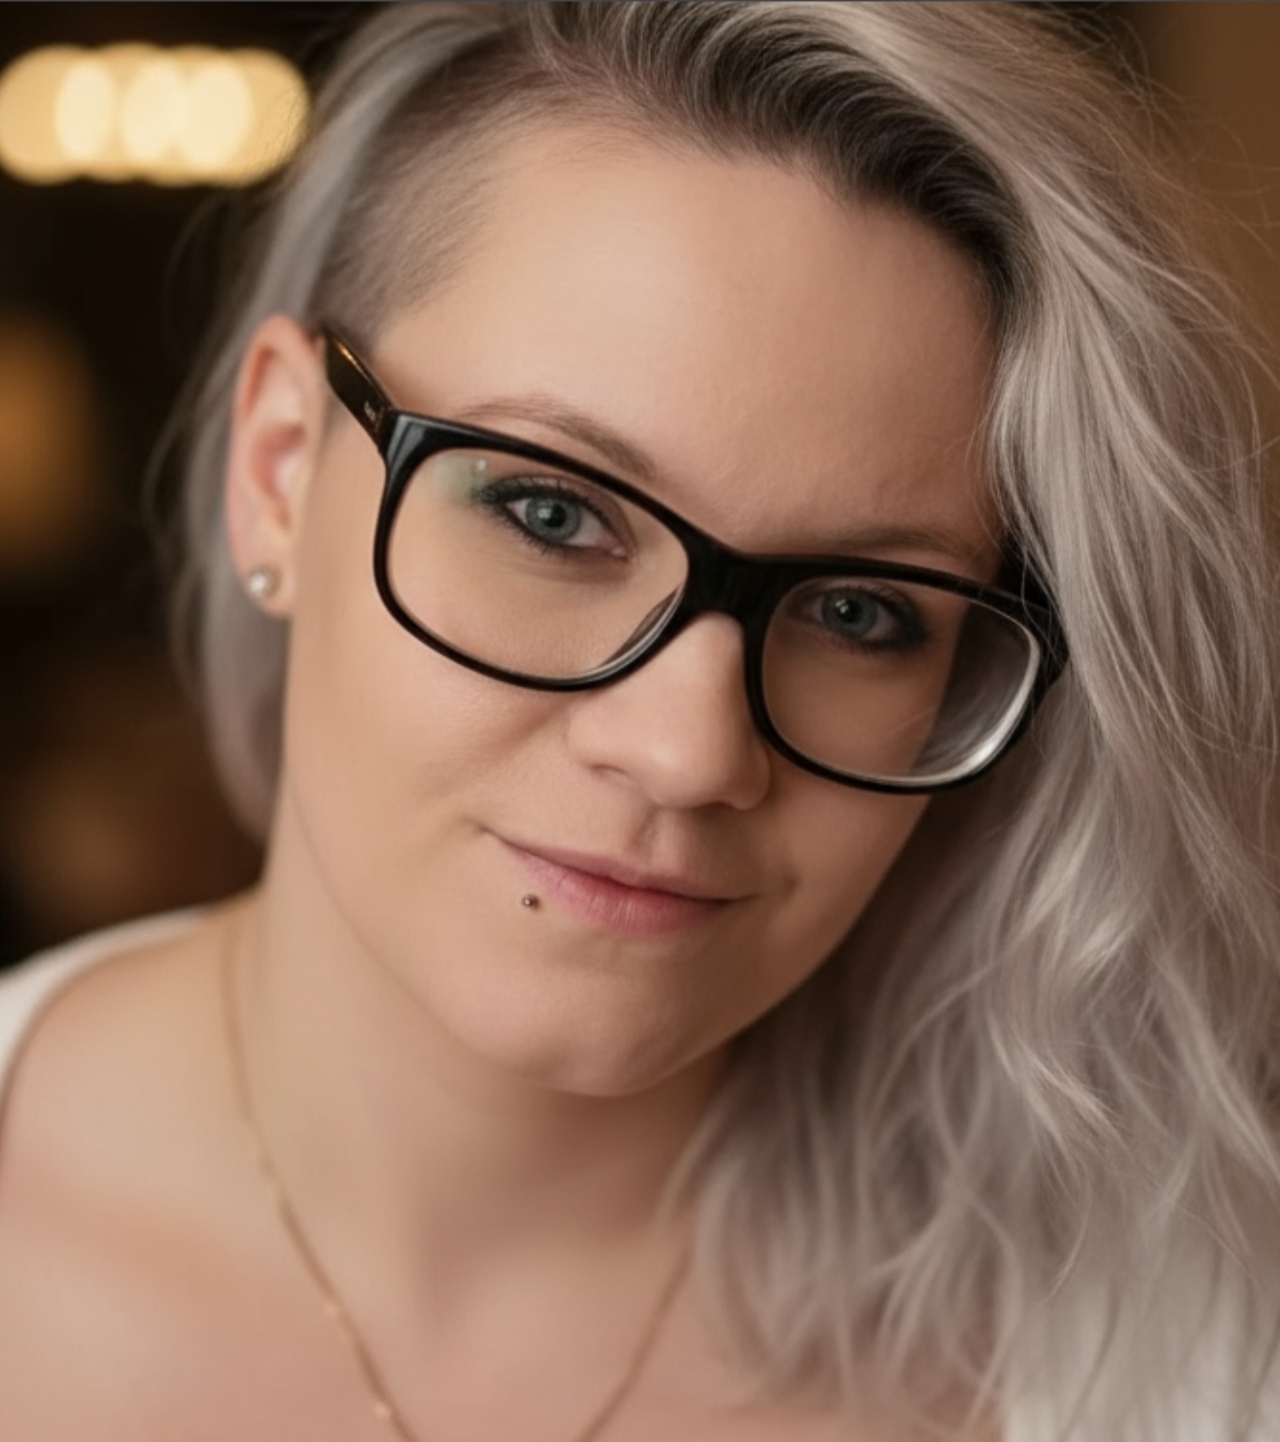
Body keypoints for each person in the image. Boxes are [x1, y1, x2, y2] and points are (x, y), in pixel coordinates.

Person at [1, 3, 1277, 1438]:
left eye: (861, 611)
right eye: (551, 514)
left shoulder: (1193, 1369)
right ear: (281, 470)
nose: (688, 752)